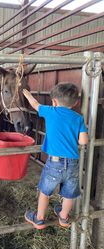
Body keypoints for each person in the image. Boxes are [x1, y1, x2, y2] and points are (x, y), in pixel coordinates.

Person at [23, 82, 88, 229]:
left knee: (45, 192)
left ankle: (39, 219)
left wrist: (26, 94)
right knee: (69, 194)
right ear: (76, 103)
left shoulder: (50, 111)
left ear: (54, 101)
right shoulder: (78, 118)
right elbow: (83, 141)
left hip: (54, 162)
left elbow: (35, 104)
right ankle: (64, 218)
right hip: (73, 163)